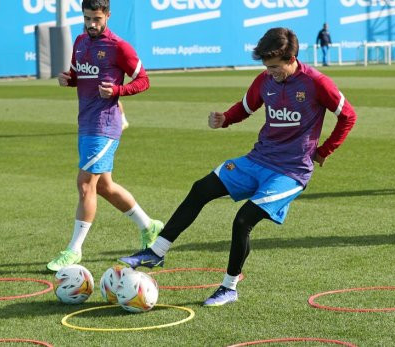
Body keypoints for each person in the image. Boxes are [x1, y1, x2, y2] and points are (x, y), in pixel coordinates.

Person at [119, 27, 357, 306]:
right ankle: (156, 251)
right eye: (267, 67)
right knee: (201, 189)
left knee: (243, 220)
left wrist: (324, 150)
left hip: (290, 172)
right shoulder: (264, 80)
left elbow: (348, 116)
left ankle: (229, 288)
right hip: (257, 160)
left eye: (275, 67)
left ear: (292, 58)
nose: (270, 72)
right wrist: (225, 118)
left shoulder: (317, 83)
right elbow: (246, 107)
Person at [47, 0, 162, 271]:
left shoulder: (118, 46)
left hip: (105, 124)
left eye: (97, 19)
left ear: (108, 15)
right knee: (103, 187)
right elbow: (79, 74)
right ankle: (150, 225)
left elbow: (143, 80)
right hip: (85, 122)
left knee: (85, 184)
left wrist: (118, 92)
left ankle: (74, 250)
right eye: (87, 18)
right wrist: (69, 79)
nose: (91, 24)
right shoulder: (80, 41)